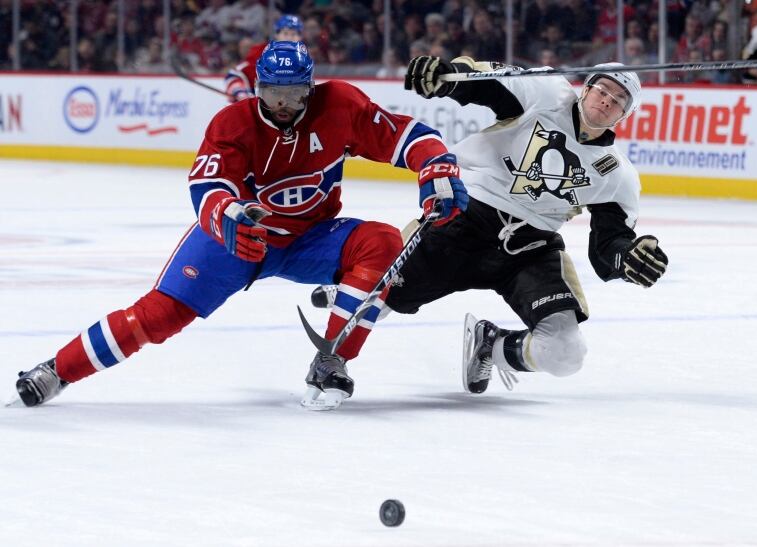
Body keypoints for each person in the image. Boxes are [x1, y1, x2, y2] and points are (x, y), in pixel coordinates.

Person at [13, 42, 468, 411]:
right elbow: (208, 187)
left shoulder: (340, 105)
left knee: (382, 243)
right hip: (236, 243)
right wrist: (226, 218)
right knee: (156, 318)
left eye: (294, 94)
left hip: (310, 239)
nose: (284, 105)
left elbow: (405, 134)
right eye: (273, 94)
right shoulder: (232, 124)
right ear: (257, 88)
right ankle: (58, 369)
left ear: (311, 88)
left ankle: (332, 361)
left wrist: (437, 167)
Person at [312, 55, 669, 395]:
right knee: (379, 300)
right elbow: (488, 84)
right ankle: (334, 348)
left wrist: (628, 256)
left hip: (528, 250)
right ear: (586, 88)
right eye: (603, 90)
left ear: (625, 114)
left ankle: (490, 347)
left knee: (565, 353)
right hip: (463, 223)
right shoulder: (548, 93)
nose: (607, 101)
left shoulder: (617, 175)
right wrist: (448, 78)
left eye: (619, 100)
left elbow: (609, 247)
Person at [224, 14, 303, 102]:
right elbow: (235, 74)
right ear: (277, 34)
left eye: (294, 34)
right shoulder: (262, 51)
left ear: (300, 37)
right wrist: (239, 91)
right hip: (259, 108)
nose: (289, 38)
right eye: (285, 33)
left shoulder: (303, 58)